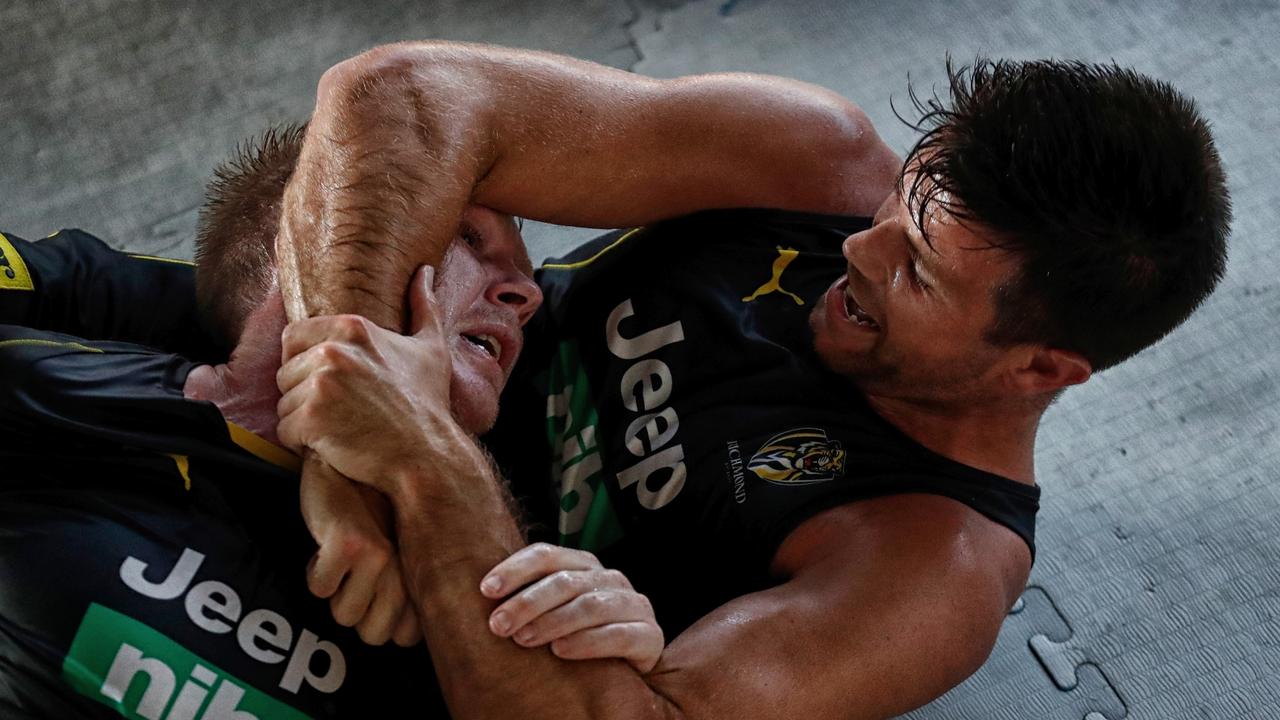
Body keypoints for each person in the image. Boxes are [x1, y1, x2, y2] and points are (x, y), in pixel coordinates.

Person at [266, 43, 1231, 720]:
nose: (858, 247)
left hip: (387, 647)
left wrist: (423, 463)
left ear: (1038, 368)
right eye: (902, 204)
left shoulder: (927, 570)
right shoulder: (818, 160)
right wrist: (346, 463)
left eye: (920, 271)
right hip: (322, 445)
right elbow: (397, 95)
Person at [0, 125, 663, 719]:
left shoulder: (498, 579)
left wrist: (609, 682)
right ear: (317, 241)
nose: (525, 295)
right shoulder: (58, 385)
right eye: (469, 238)